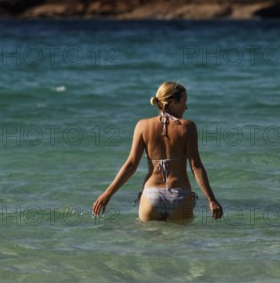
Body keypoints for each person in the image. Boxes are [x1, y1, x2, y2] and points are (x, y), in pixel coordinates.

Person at [92, 81, 223, 223]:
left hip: (151, 196)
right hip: (180, 195)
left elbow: (131, 165)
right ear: (173, 102)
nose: (186, 107)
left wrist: (107, 194)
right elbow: (196, 167)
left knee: (148, 244)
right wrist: (211, 200)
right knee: (182, 244)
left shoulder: (142, 126)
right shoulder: (187, 127)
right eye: (184, 102)